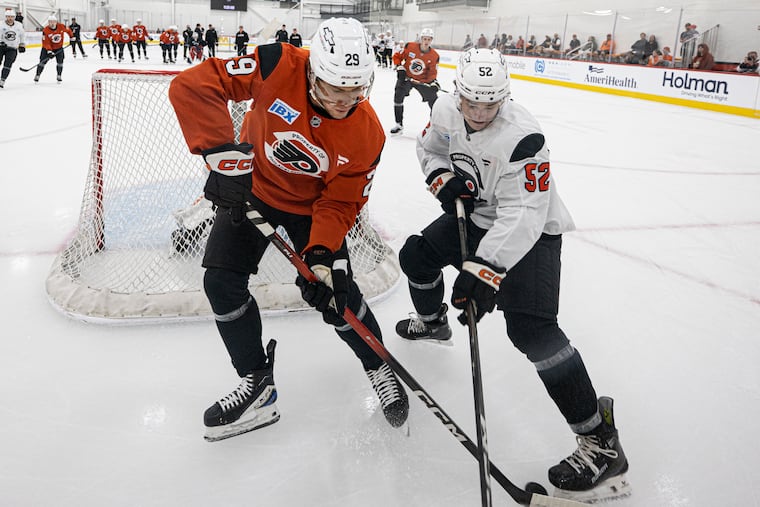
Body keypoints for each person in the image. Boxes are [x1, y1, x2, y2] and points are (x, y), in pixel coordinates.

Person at [395, 47, 630, 504]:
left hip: (533, 231)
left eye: (491, 104)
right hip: (480, 214)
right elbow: (430, 147)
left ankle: (601, 444)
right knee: (416, 257)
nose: (480, 113)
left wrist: (484, 274)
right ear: (458, 92)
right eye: (472, 103)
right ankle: (433, 322)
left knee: (532, 329)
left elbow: (524, 213)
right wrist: (442, 177)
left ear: (505, 98)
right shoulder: (444, 107)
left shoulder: (524, 137)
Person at [168, 17, 409, 442]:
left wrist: (320, 253)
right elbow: (193, 85)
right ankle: (257, 381)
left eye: (355, 91)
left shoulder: (367, 132)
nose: (344, 101)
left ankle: (378, 363)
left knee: (338, 296)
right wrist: (222, 152)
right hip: (253, 190)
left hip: (313, 210)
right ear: (314, 71)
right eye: (335, 89)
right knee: (221, 283)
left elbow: (341, 200)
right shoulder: (278, 63)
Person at [389, 27, 440, 135]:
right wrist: (399, 67)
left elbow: (432, 73)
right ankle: (398, 124)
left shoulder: (434, 56)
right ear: (421, 39)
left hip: (421, 80)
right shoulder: (410, 46)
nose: (426, 42)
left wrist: (432, 82)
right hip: (407, 77)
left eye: (429, 39)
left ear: (431, 40)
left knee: (435, 101)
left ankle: (433, 126)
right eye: (424, 39)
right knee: (398, 95)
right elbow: (397, 56)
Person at [35, 15, 73, 83]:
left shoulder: (61, 26)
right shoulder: (45, 30)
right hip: (46, 49)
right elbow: (46, 42)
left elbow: (68, 30)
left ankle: (59, 75)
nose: (52, 23)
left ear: (56, 22)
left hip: (59, 48)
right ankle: (38, 75)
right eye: (50, 22)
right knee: (42, 62)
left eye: (53, 22)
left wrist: (72, 37)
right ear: (48, 23)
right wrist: (49, 51)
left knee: (60, 62)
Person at [0, 9, 26, 89]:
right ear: (6, 17)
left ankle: (2, 80)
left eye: (12, 17)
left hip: (12, 48)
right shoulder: (1, 24)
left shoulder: (18, 25)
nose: (10, 18)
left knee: (8, 64)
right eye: (8, 16)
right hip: (1, 47)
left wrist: (22, 44)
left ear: (14, 17)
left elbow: (22, 35)